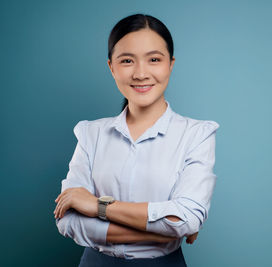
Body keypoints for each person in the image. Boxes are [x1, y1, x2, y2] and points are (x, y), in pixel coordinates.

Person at [53, 13, 220, 266]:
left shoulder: (196, 134)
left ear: (170, 64)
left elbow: (186, 218)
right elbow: (68, 221)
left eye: (154, 59)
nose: (141, 73)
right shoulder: (90, 133)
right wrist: (162, 231)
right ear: (111, 67)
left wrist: (97, 206)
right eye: (127, 60)